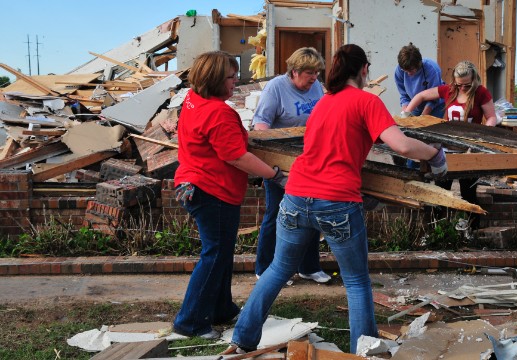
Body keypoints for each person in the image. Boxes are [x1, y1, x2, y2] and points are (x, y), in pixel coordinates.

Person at [229, 44, 447, 354]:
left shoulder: (323, 102)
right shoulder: (367, 101)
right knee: (356, 281)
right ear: (363, 70)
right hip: (336, 202)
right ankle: (365, 351)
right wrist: (436, 155)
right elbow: (402, 146)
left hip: (296, 196)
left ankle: (241, 340)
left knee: (278, 269)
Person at [172, 51, 288, 339]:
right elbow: (236, 156)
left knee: (221, 254)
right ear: (213, 79)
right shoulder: (218, 112)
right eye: (231, 77)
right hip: (212, 191)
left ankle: (221, 308)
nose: (237, 81)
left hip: (195, 184)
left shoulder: (192, 99)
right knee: (214, 255)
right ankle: (191, 322)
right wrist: (274, 174)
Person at [252, 47, 331, 284]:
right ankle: (265, 268)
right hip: (280, 162)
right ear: (295, 72)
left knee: (310, 213)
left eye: (317, 73)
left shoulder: (316, 86)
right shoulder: (276, 87)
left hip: (310, 160)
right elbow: (260, 125)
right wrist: (275, 161)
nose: (314, 78)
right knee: (276, 212)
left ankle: (308, 266)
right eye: (309, 73)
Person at [404, 60, 497, 228]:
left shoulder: (481, 92)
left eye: (466, 85)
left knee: (468, 192)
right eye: (459, 84)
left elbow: (491, 116)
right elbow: (422, 95)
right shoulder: (449, 89)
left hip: (469, 150)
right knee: (441, 190)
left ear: (474, 79)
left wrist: (486, 131)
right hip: (446, 149)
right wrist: (407, 112)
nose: (462, 88)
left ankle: (472, 230)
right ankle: (439, 229)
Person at [395, 42, 445, 118]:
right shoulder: (399, 70)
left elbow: (434, 99)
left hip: (435, 105)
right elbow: (404, 96)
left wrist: (423, 117)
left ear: (419, 63)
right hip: (415, 106)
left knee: (428, 128)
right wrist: (405, 114)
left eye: (411, 70)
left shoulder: (432, 69)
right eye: (405, 71)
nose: (408, 74)